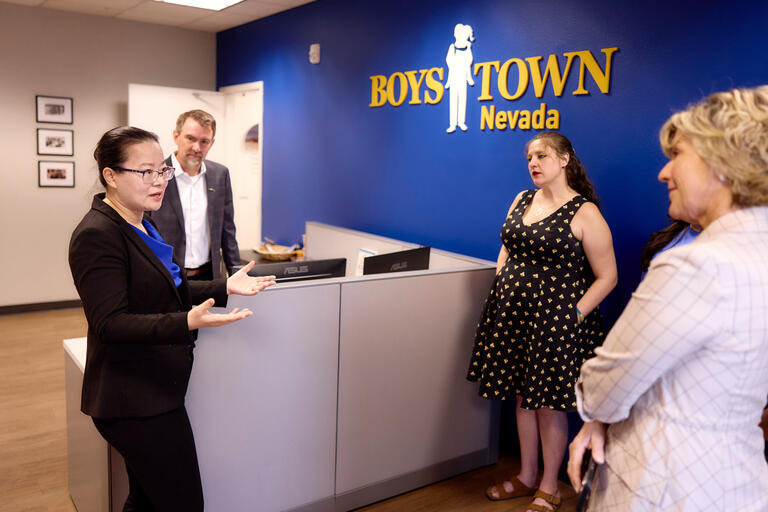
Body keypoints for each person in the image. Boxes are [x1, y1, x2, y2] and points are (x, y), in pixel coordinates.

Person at [568, 86, 768, 511]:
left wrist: (595, 408)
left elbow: (604, 387)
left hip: (663, 485)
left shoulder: (697, 266)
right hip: (739, 483)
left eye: (677, 154)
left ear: (724, 165)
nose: (664, 172)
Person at [69, 126, 275, 511]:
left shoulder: (140, 222)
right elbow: (111, 323)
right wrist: (186, 322)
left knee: (148, 501)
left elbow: (170, 288)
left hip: (154, 389)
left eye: (160, 170)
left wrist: (225, 286)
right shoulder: (98, 235)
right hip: (132, 400)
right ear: (110, 176)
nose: (158, 181)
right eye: (145, 172)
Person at [468, 132, 617, 512]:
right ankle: (527, 475)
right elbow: (506, 250)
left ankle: (550, 486)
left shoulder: (584, 212)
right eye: (530, 157)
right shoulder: (521, 200)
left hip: (558, 326)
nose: (534, 163)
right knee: (522, 397)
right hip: (514, 320)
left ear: (565, 159)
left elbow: (608, 277)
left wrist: (573, 316)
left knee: (549, 404)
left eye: (543, 155)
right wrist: (503, 287)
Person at [149, 109, 240, 280]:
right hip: (168, 277)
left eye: (204, 141)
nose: (196, 147)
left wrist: (236, 272)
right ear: (176, 137)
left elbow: (227, 230)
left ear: (211, 143)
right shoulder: (156, 174)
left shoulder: (220, 175)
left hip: (209, 276)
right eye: (190, 138)